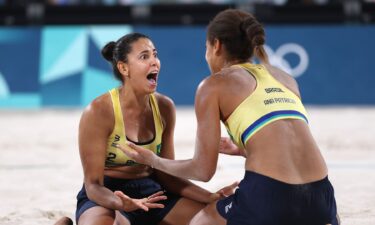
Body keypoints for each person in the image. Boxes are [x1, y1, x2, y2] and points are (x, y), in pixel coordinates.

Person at [118, 9, 339, 225]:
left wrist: (153, 160)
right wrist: (244, 150)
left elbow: (202, 171)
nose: (206, 56)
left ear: (216, 45)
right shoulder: (286, 79)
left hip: (272, 196)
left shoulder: (213, 85)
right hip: (323, 199)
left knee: (201, 220)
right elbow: (292, 147)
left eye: (206, 48)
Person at [72, 32, 237, 225]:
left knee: (217, 219)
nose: (155, 62)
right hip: (108, 194)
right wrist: (121, 203)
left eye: (155, 55)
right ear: (124, 68)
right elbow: (93, 186)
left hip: (152, 191)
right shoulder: (99, 111)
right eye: (144, 56)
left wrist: (210, 197)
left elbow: (167, 174)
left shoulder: (165, 107)